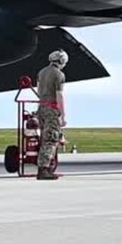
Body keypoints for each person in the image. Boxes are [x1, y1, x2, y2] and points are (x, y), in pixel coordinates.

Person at [34, 49, 69, 180]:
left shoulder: (42, 72)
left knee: (44, 138)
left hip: (41, 107)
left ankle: (44, 168)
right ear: (61, 61)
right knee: (51, 139)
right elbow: (59, 95)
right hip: (51, 109)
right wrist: (63, 115)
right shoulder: (59, 75)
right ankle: (44, 169)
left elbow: (39, 91)